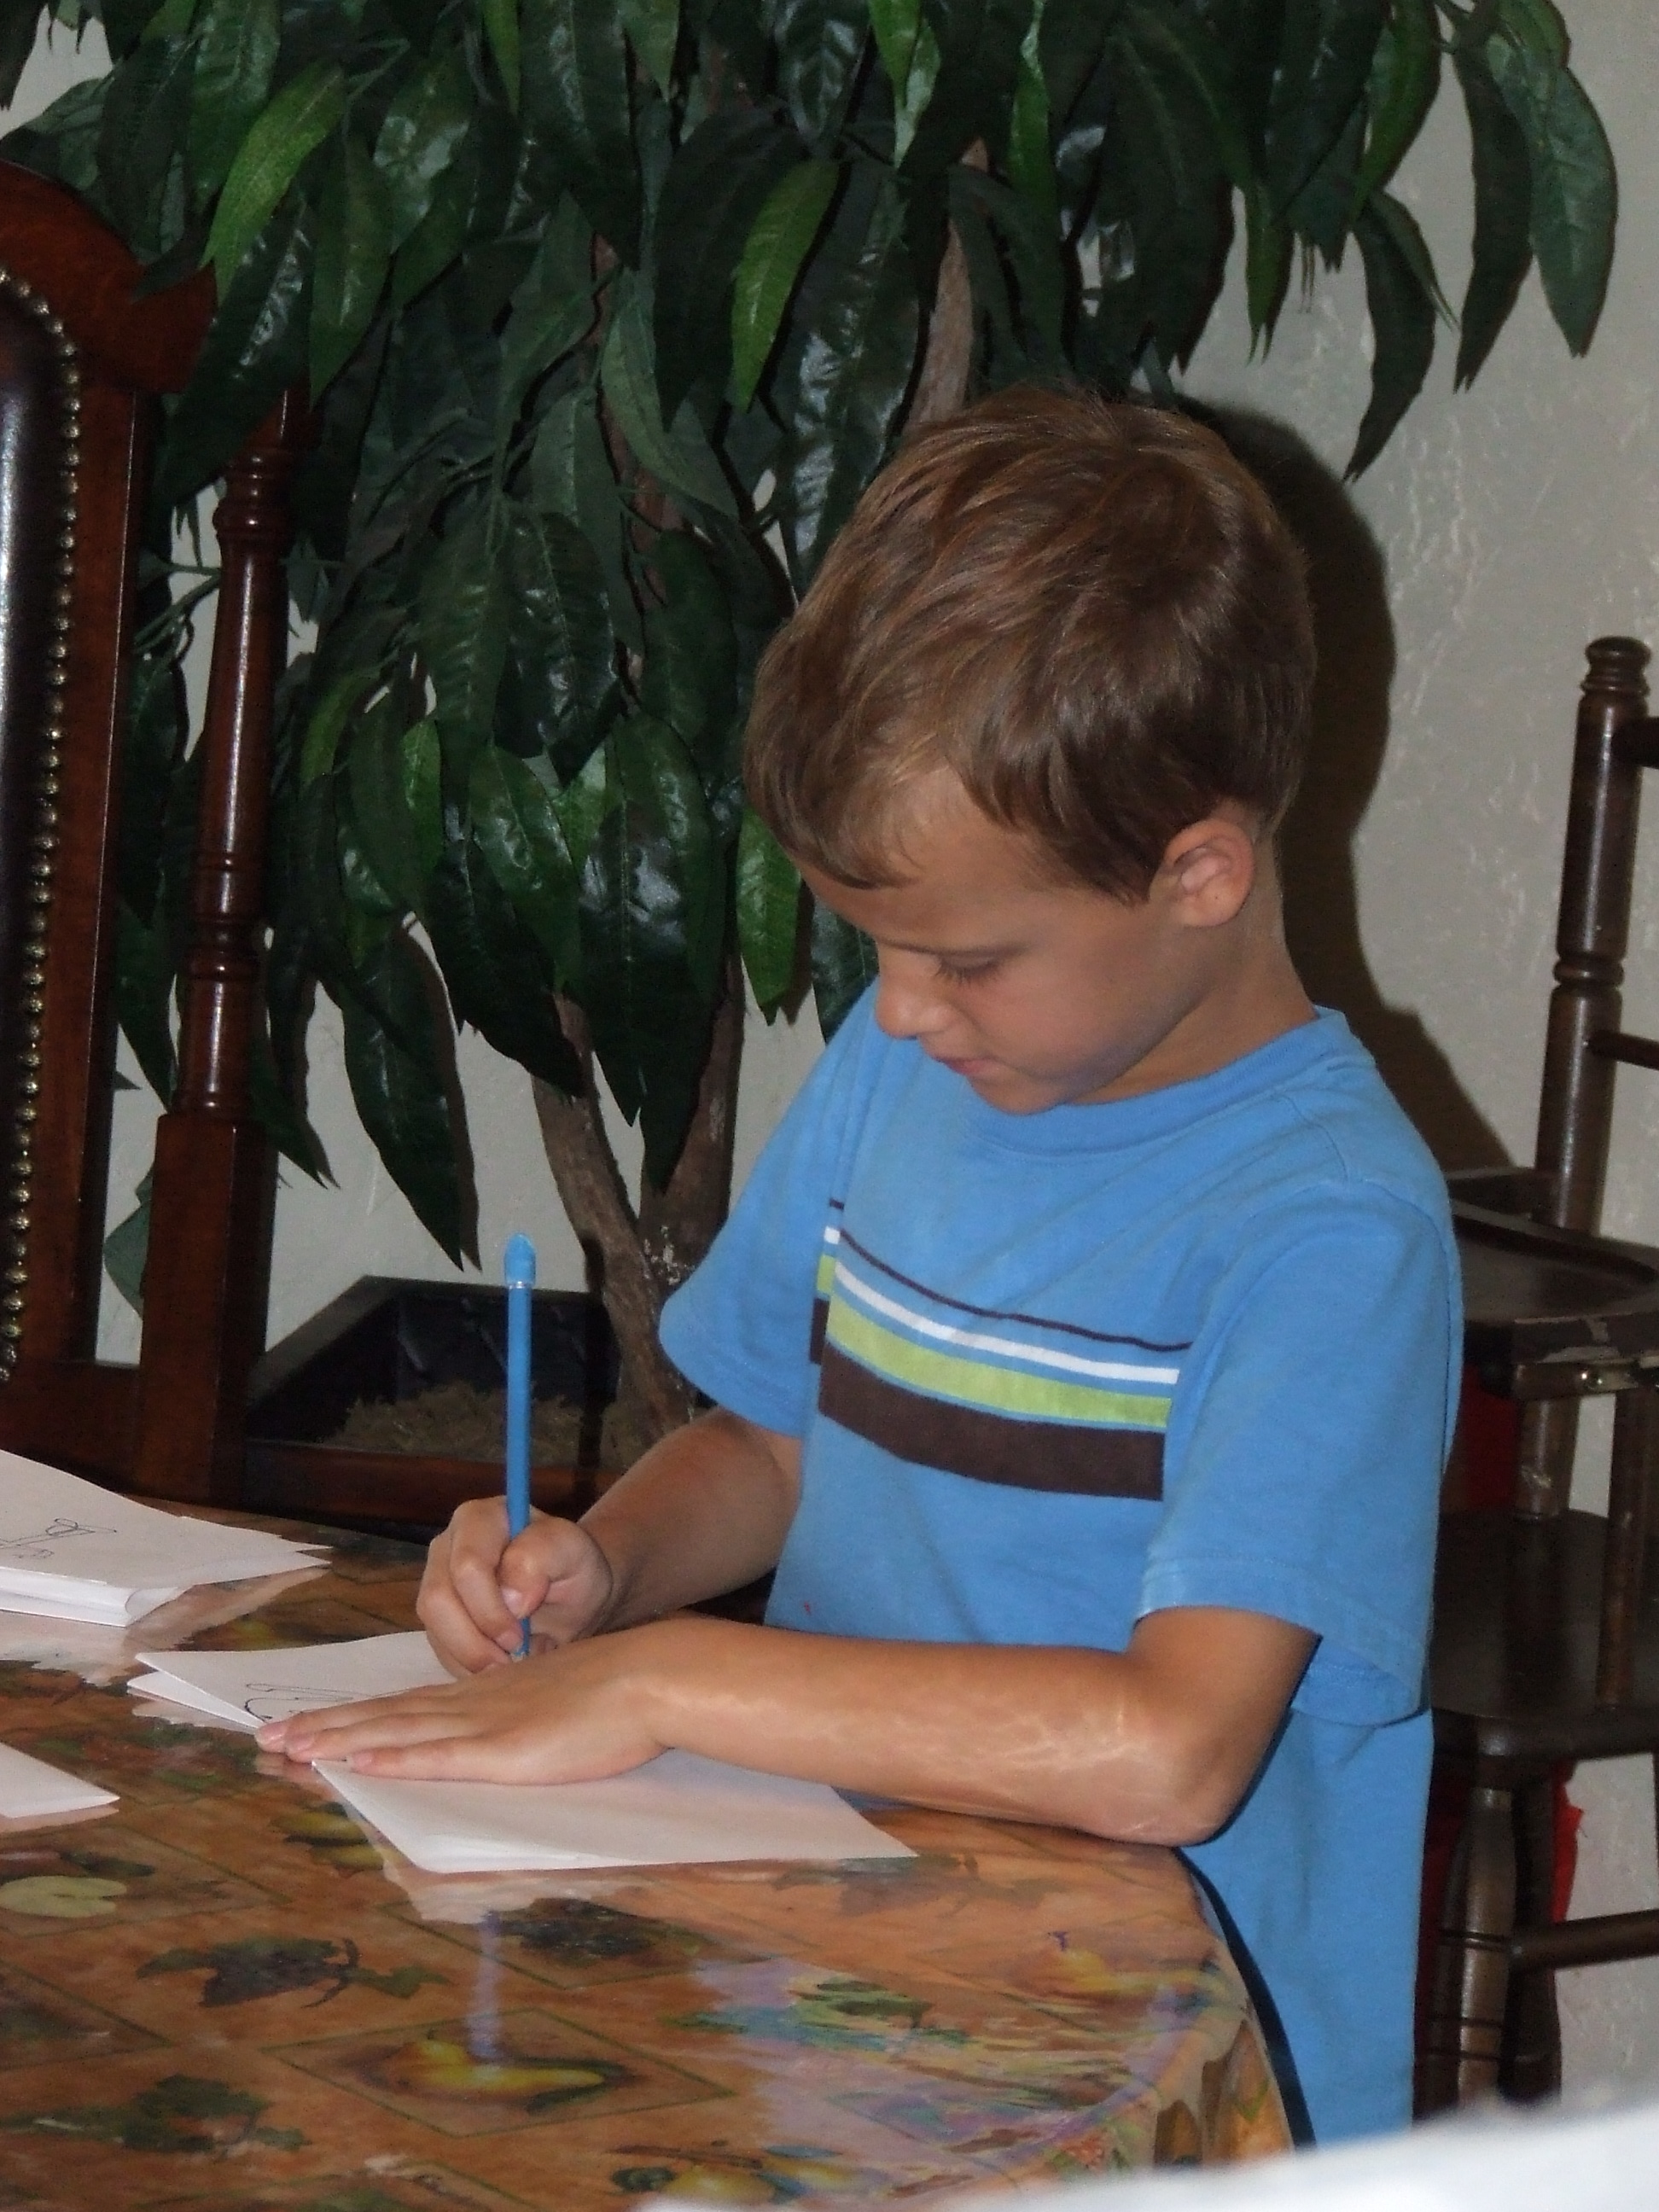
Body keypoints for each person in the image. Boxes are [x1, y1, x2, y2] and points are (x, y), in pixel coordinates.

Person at [259, 387, 1458, 2147]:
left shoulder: (1329, 1228)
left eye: (965, 957)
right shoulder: (917, 1074)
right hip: (834, 1993)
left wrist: (672, 1679)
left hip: (1143, 2088)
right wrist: (608, 1572)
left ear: (1199, 872)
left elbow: (1173, 1751)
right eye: (875, 949)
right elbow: (778, 1444)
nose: (897, 1012)